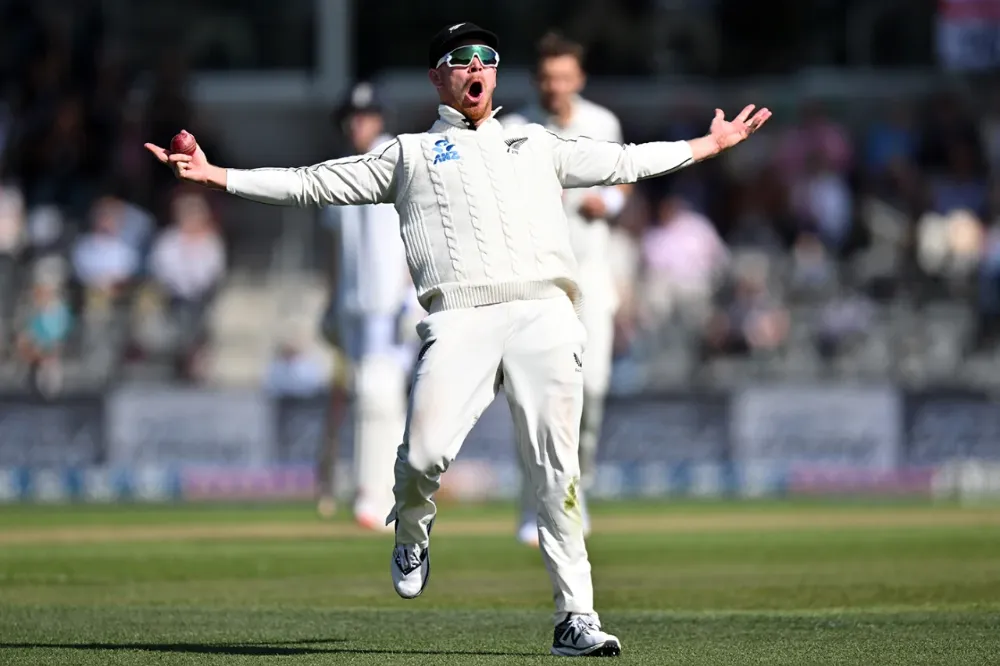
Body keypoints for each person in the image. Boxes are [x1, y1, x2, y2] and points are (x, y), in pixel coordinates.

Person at [145, 21, 770, 657]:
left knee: (559, 475)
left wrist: (706, 145)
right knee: (421, 458)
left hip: (544, 314)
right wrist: (217, 175)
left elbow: (625, 160)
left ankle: (575, 616)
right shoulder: (409, 154)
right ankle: (412, 529)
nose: (476, 68)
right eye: (461, 59)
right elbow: (312, 182)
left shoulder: (534, 142)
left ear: (495, 75)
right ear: (439, 77)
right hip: (460, 320)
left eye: (487, 59)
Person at [501, 32, 630, 547]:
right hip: (534, 282)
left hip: (590, 278)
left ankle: (577, 496)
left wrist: (611, 206)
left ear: (578, 79)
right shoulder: (512, 128)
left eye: (564, 77)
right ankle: (533, 507)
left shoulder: (601, 124)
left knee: (591, 392)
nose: (556, 87)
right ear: (537, 80)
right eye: (547, 77)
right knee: (531, 398)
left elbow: (621, 182)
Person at [316, 82, 417, 529]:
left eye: (365, 116)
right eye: (352, 117)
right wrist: (331, 302)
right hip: (353, 305)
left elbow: (420, 229)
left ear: (379, 119)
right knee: (367, 397)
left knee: (381, 397)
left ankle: (379, 497)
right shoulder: (339, 168)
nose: (357, 124)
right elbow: (337, 245)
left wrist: (412, 295)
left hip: (392, 301)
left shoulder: (398, 159)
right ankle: (370, 493)